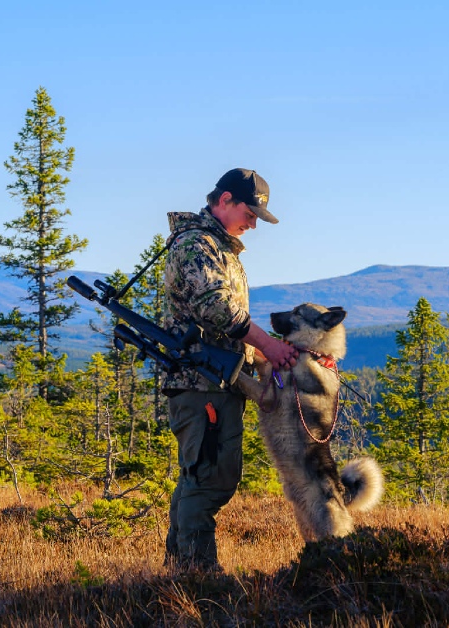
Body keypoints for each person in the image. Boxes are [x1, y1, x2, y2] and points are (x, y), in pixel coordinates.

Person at [162, 168, 297, 572]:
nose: (253, 223)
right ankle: (200, 577)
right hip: (202, 384)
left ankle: (179, 571)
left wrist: (262, 358)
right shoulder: (196, 246)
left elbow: (224, 325)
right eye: (249, 212)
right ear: (224, 200)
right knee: (209, 480)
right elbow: (217, 309)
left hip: (217, 380)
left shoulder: (219, 249)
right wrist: (269, 344)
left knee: (198, 477)